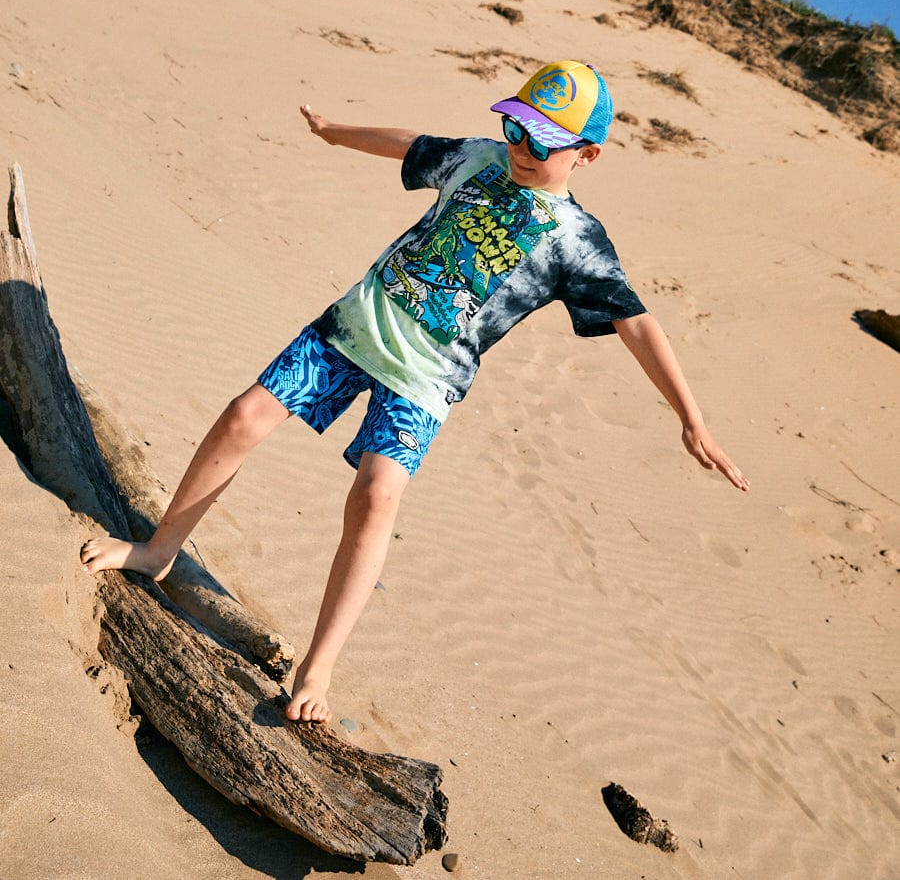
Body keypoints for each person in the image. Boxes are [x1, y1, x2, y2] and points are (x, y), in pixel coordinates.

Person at [81, 60, 749, 724]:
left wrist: (691, 419)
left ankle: (317, 668)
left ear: (587, 154)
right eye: (517, 128)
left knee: (375, 498)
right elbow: (408, 145)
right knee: (244, 417)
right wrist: (334, 132)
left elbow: (637, 323)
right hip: (353, 328)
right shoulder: (480, 159)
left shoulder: (576, 241)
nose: (522, 148)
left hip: (425, 381)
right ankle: (160, 549)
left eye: (543, 142)